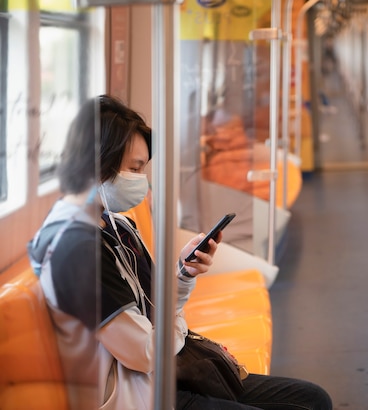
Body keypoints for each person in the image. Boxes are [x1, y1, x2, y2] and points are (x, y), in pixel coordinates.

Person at [28, 95, 333, 410]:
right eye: (133, 168)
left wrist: (183, 274)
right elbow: (146, 352)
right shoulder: (74, 250)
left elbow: (155, 305)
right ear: (97, 163)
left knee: (313, 400)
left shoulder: (114, 225)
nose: (141, 183)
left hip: (166, 376)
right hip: (145, 395)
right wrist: (177, 323)